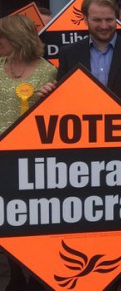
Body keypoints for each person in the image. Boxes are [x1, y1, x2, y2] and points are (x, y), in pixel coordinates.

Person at [40, 0, 121, 291]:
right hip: (83, 151)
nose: (104, 25)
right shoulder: (69, 53)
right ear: (85, 20)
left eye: (109, 19)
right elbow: (64, 102)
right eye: (97, 20)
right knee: (91, 212)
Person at [0, 14, 57, 291]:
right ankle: (15, 273)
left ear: (17, 39)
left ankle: (36, 273)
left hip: (34, 158)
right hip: (1, 157)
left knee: (32, 218)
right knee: (5, 218)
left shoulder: (48, 71)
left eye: (2, 36)